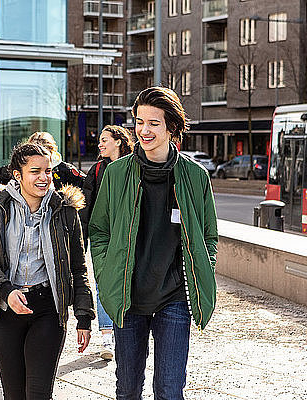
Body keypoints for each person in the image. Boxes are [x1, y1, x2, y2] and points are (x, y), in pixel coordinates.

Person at [89, 87, 218, 399]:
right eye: (139, 121)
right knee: (128, 388)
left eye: (153, 123)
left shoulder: (194, 175)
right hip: (128, 298)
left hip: (174, 298)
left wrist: (202, 269)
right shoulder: (117, 173)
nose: (143, 130)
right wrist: (107, 273)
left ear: (171, 127)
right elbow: (99, 230)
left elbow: (209, 236)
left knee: (170, 391)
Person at [0, 143, 95, 400]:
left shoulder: (64, 210)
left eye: (48, 171)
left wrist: (84, 316)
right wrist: (6, 291)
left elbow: (78, 267)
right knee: (14, 394)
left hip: (48, 310)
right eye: (35, 171)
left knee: (38, 394)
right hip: (5, 309)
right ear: (17, 175)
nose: (44, 178)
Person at [79, 125, 134, 361]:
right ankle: (107, 336)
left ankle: (127, 332)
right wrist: (83, 239)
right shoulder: (97, 169)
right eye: (100, 140)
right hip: (103, 237)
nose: (100, 144)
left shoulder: (134, 166)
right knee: (102, 282)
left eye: (104, 140)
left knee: (127, 282)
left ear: (119, 141)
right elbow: (86, 206)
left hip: (128, 235)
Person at [0, 131, 85, 189]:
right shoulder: (16, 168)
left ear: (52, 151)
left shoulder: (65, 170)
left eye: (44, 152)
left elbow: (85, 187)